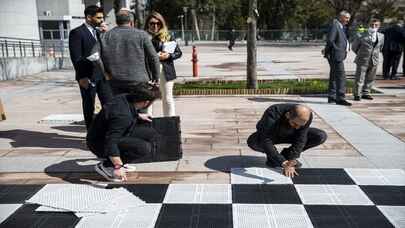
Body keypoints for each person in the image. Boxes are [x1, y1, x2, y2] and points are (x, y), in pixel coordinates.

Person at [87, 84, 160, 182]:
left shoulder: (125, 97)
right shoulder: (123, 116)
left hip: (106, 134)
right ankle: (106, 166)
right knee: (144, 148)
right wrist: (118, 166)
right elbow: (111, 141)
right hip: (99, 143)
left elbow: (118, 115)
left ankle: (119, 161)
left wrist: (138, 115)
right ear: (146, 102)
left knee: (150, 133)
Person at [247, 104, 327, 177]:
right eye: (295, 124)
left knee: (320, 136)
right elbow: (266, 139)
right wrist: (282, 162)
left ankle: (286, 155)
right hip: (273, 134)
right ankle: (273, 158)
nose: (297, 127)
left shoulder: (307, 116)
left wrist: (292, 159)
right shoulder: (273, 112)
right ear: (287, 115)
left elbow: (301, 139)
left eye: (301, 125)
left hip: (291, 135)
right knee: (253, 141)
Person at [69, 5, 112, 129]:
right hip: (87, 76)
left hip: (102, 76)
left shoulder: (99, 32)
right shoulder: (77, 33)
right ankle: (91, 134)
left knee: (109, 103)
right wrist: (82, 77)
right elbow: (76, 58)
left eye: (102, 17)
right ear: (88, 17)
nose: (102, 20)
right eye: (98, 18)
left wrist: (106, 34)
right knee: (89, 106)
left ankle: (108, 131)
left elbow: (106, 52)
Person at [100, 9, 160, 95]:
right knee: (139, 107)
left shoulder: (105, 36)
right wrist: (156, 77)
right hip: (139, 80)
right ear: (132, 22)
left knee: (121, 107)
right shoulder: (142, 35)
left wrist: (105, 72)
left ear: (117, 22)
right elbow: (153, 57)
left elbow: (94, 56)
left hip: (116, 80)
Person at [145, 12, 182, 117]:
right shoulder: (143, 37)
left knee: (168, 98)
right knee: (148, 98)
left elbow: (178, 53)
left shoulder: (167, 36)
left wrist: (168, 56)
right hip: (149, 71)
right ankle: (147, 123)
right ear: (148, 24)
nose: (155, 26)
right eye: (152, 23)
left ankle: (170, 122)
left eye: (158, 23)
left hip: (166, 70)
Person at [351, 19, 384, 101]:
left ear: (379, 26)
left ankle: (366, 92)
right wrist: (361, 54)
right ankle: (357, 94)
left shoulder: (381, 36)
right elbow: (354, 47)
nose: (373, 26)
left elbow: (380, 47)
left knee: (370, 78)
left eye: (376, 25)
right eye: (372, 25)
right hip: (362, 59)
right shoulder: (361, 35)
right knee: (360, 78)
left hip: (374, 60)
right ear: (369, 25)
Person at [324, 11, 352, 106]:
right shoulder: (335, 26)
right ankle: (340, 98)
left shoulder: (341, 27)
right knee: (341, 77)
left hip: (338, 55)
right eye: (346, 18)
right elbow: (330, 40)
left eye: (348, 18)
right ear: (341, 17)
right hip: (336, 55)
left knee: (334, 76)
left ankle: (331, 97)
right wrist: (336, 50)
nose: (348, 20)